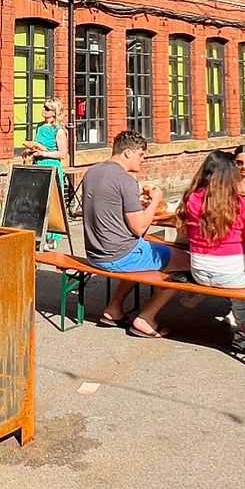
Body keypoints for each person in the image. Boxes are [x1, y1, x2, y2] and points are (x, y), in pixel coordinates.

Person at [80, 129, 190, 338]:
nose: (143, 159)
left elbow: (112, 209)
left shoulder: (92, 172)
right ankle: (146, 318)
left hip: (95, 253)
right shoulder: (126, 180)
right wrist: (155, 201)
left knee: (147, 249)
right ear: (127, 153)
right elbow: (139, 228)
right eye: (141, 154)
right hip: (119, 256)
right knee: (187, 261)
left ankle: (114, 309)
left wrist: (137, 204)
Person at [178, 150, 245, 353]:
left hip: (199, 271)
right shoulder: (239, 203)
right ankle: (243, 331)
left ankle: (198, 295)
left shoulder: (192, 199)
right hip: (231, 275)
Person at [29, 99, 69, 250]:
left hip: (51, 166)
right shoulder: (40, 127)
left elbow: (62, 153)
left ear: (54, 112)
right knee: (38, 202)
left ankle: (52, 237)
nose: (44, 110)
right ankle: (40, 234)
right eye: (44, 107)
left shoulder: (58, 130)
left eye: (47, 108)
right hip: (38, 165)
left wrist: (44, 153)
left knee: (52, 203)